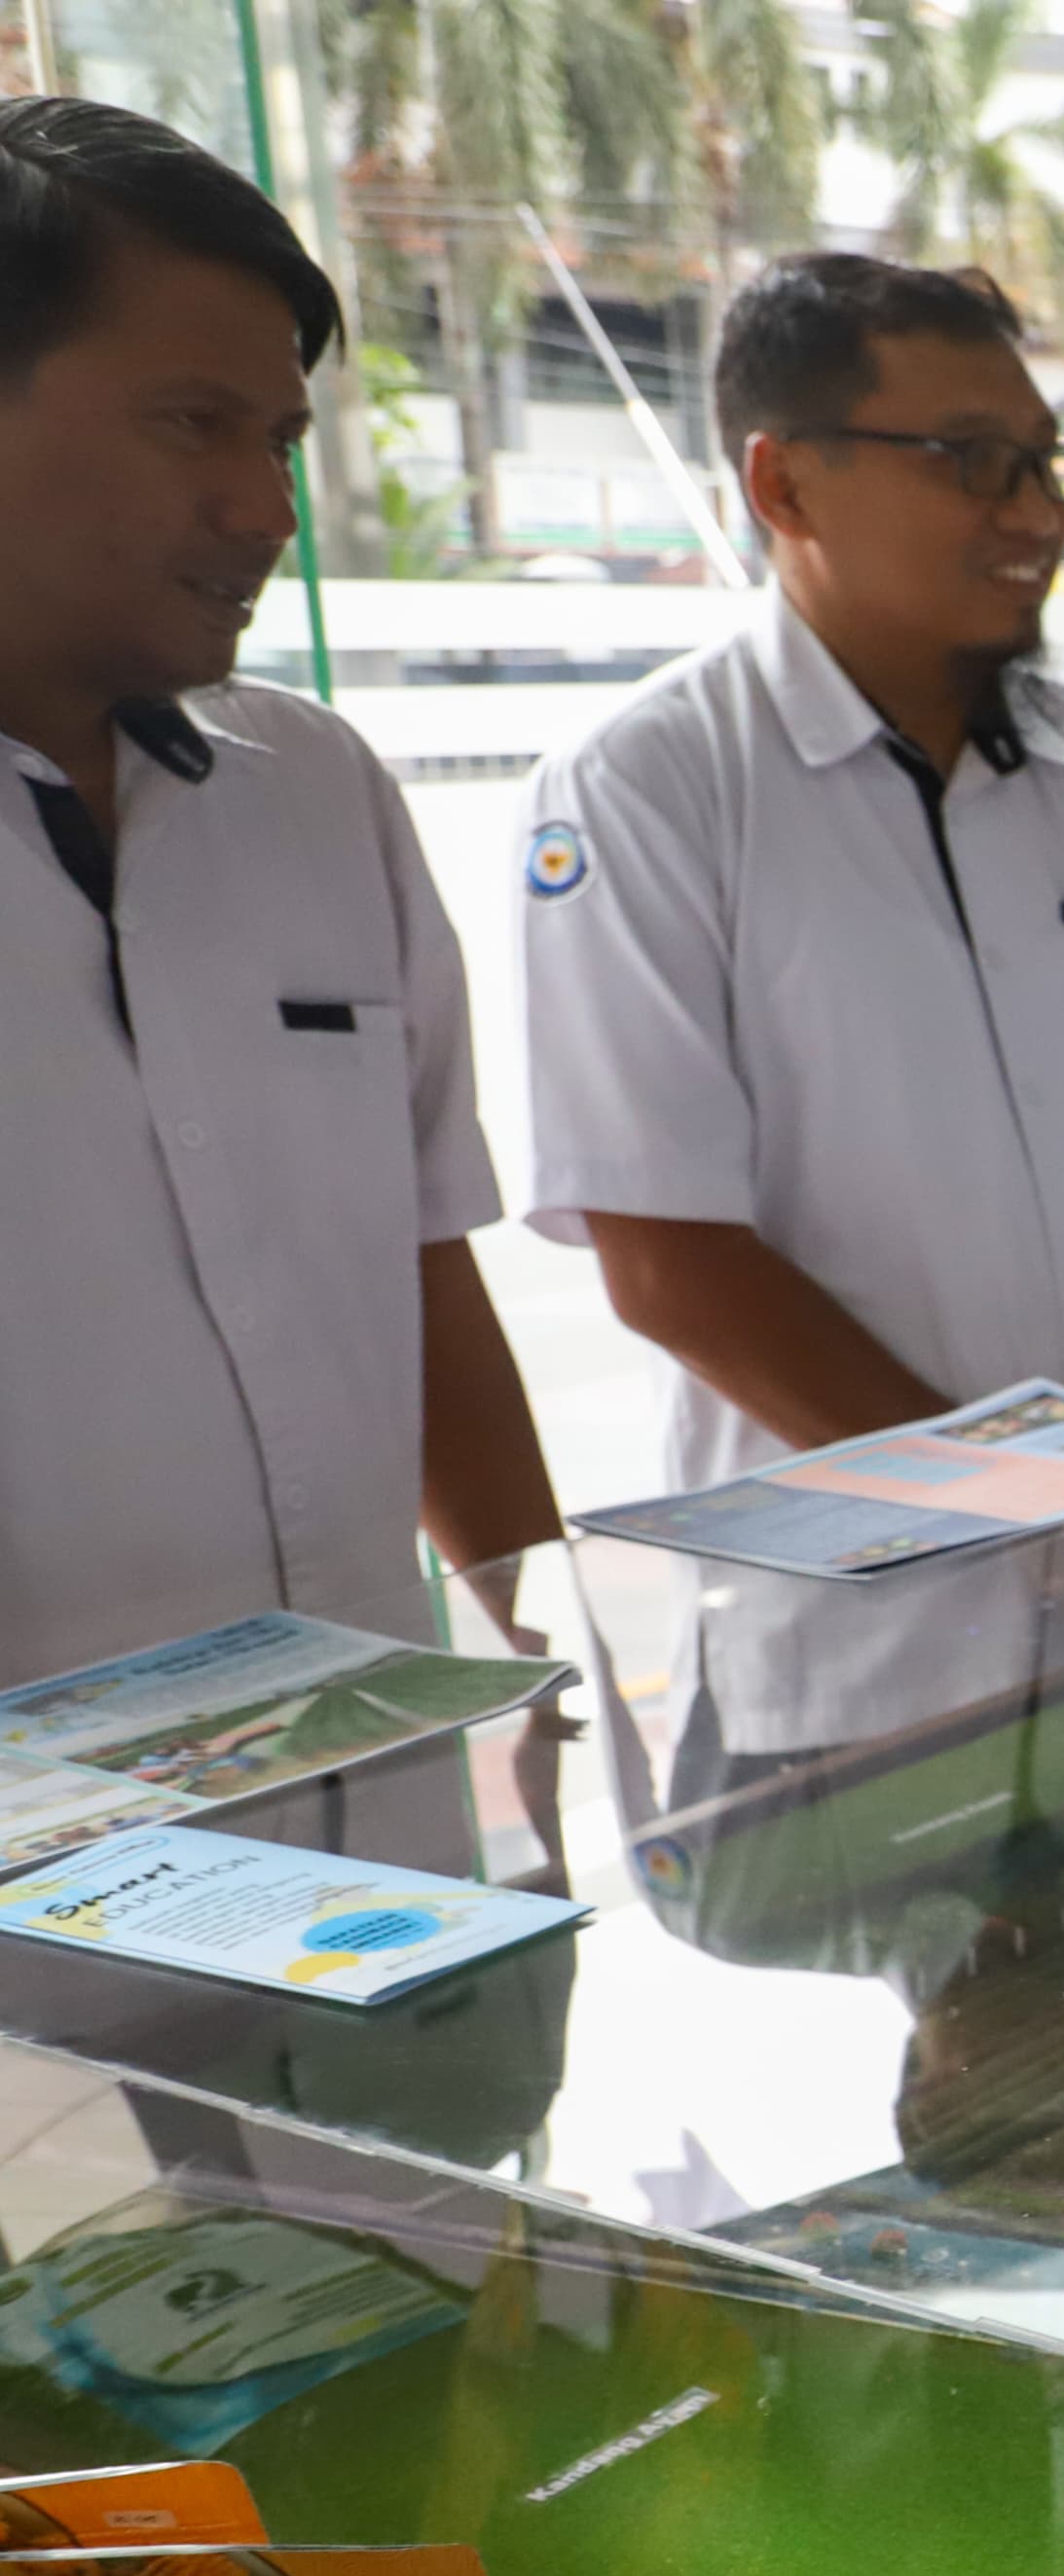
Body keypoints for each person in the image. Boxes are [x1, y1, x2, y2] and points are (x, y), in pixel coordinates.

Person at [521, 254, 1064, 1541]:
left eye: (1045, 463)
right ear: (784, 483)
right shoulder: (649, 790)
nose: (1035, 518)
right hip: (853, 1634)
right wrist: (1016, 1513)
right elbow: (671, 1265)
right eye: (966, 460)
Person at [0, 96, 558, 1691]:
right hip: (45, 1908)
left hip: (384, 1846)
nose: (268, 511)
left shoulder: (314, 794)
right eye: (193, 424)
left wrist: (550, 1668)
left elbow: (424, 1269)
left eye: (282, 439)